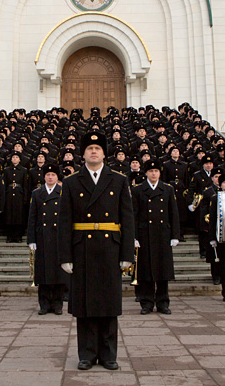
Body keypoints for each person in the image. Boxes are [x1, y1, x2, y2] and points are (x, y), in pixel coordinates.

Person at [59, 130, 135, 371]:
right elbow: (64, 221)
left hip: (110, 248)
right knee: (85, 305)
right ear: (82, 154)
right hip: (82, 248)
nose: (93, 152)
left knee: (109, 303)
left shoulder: (119, 180)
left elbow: (127, 218)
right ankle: (87, 354)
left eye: (98, 149)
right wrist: (65, 255)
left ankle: (109, 354)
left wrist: (127, 254)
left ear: (104, 154)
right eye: (89, 149)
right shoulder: (71, 182)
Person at [131, 158, 180, 314]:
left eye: (156, 171)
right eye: (151, 171)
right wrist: (134, 236)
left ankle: (163, 302)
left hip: (163, 234)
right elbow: (134, 215)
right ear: (146, 173)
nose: (154, 174)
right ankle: (146, 303)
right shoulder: (138, 190)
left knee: (163, 271)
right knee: (145, 271)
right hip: (145, 234)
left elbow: (173, 213)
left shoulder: (167, 189)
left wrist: (175, 235)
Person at [27, 162, 69, 315]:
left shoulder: (63, 192)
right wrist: (31, 239)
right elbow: (32, 217)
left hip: (58, 237)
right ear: (44, 177)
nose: (50, 177)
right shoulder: (37, 193)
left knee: (58, 273)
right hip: (42, 237)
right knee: (43, 273)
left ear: (57, 177)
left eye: (53, 175)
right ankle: (44, 304)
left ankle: (57, 304)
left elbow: (67, 217)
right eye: (48, 175)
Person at [200, 171, 225, 300]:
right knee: (223, 265)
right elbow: (212, 219)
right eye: (224, 182)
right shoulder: (216, 198)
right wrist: (212, 237)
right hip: (221, 235)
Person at [2, 156, 29, 243]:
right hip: (9, 194)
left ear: (19, 159)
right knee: (9, 216)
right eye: (13, 157)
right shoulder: (6, 170)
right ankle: (9, 236)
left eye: (17, 157)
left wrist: (25, 198)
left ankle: (18, 236)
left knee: (19, 216)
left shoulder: (23, 170)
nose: (15, 159)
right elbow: (4, 184)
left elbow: (25, 185)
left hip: (19, 194)